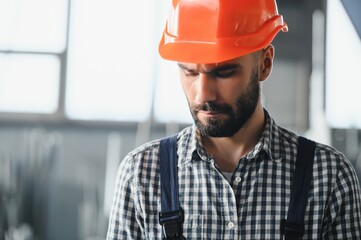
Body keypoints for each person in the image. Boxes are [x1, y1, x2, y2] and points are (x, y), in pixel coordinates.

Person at [106, 0, 361, 239]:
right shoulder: (140, 176)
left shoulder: (329, 178)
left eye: (224, 72)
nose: (203, 93)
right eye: (190, 72)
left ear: (265, 63)